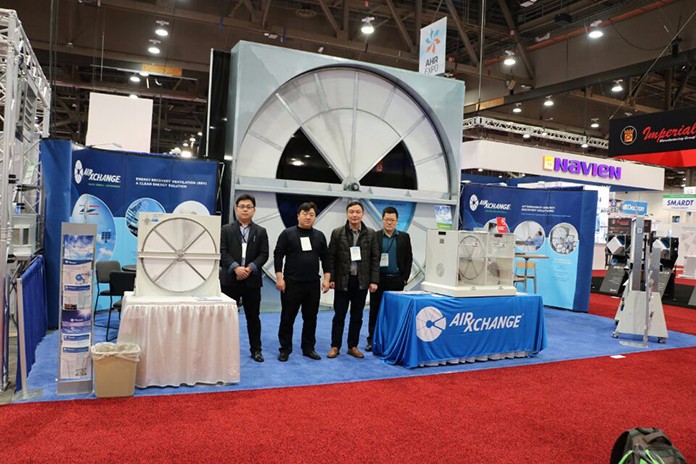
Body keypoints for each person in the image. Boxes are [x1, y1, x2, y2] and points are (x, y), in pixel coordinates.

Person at [274, 202, 331, 362]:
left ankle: (308, 348)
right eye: (305, 214)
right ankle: (285, 349)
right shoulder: (287, 234)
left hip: (312, 285)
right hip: (291, 284)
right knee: (287, 318)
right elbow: (278, 256)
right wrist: (279, 278)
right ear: (298, 215)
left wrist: (327, 279)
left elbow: (326, 259)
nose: (308, 217)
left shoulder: (319, 236)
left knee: (311, 318)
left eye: (311, 214)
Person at [327, 200, 379, 359]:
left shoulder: (371, 234)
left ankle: (352, 346)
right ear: (347, 214)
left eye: (357, 212)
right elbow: (331, 257)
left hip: (361, 281)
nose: (354, 215)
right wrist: (331, 278)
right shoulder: (337, 233)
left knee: (357, 316)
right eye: (351, 212)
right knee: (339, 315)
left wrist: (374, 280)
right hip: (342, 280)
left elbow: (375, 258)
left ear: (363, 214)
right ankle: (335, 346)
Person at [220, 194, 269, 363]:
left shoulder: (261, 232)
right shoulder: (226, 229)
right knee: (227, 318)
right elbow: (222, 252)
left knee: (253, 318)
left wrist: (250, 268)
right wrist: (236, 268)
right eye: (242, 206)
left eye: (249, 207)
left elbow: (264, 254)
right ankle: (224, 351)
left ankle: (256, 350)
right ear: (236, 209)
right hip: (230, 281)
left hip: (252, 281)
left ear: (254, 210)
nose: (245, 210)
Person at [366, 206, 413, 352]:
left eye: (392, 220)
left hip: (397, 280)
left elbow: (409, 258)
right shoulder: (375, 236)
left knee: (395, 312)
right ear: (382, 220)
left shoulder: (404, 237)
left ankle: (393, 340)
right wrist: (371, 279)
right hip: (378, 280)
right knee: (375, 311)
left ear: (397, 221)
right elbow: (370, 259)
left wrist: (404, 278)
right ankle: (372, 340)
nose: (389, 222)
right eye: (387, 219)